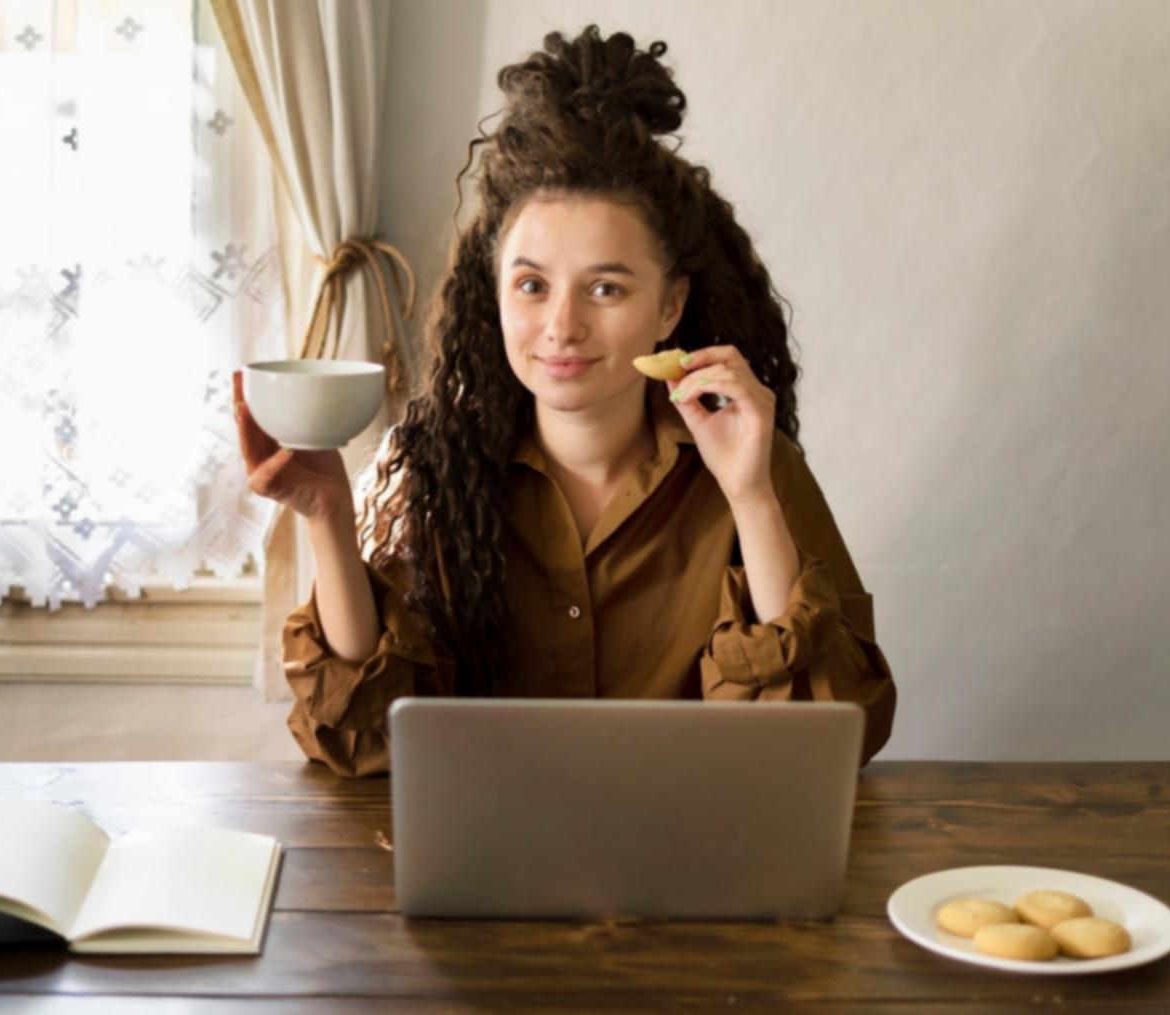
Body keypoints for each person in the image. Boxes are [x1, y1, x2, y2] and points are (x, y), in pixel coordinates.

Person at [234, 25, 897, 778]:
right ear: (494, 294)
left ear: (670, 305)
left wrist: (749, 497)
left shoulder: (750, 462)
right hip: (484, 866)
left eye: (606, 287)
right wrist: (326, 518)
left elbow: (828, 738)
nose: (561, 326)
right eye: (531, 285)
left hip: (695, 866)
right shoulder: (427, 469)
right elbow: (361, 734)